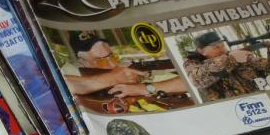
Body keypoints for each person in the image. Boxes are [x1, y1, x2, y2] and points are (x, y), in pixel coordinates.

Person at [62, 31, 190, 104]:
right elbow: (64, 85)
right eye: (102, 60)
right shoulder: (71, 71)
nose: (112, 64)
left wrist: (145, 87)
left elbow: (190, 80)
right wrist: (113, 78)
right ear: (83, 62)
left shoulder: (125, 67)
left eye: (112, 56)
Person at [183, 29, 270, 100]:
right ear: (202, 51)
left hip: (259, 102)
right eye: (215, 47)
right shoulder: (193, 64)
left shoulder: (238, 56)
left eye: (222, 45)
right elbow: (197, 80)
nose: (221, 49)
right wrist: (231, 60)